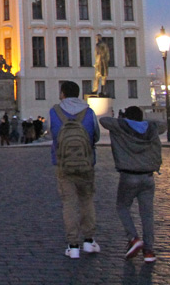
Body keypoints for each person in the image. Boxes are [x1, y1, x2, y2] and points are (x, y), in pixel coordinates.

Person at [99, 106, 165, 262]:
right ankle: (149, 251)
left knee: (122, 207)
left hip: (129, 175)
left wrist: (123, 120)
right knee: (147, 214)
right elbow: (162, 123)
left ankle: (133, 238)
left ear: (126, 117)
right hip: (148, 176)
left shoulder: (120, 126)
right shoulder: (152, 128)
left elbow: (103, 120)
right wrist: (142, 122)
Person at [50, 80, 100, 259]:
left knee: (69, 203)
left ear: (63, 93)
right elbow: (96, 135)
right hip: (86, 163)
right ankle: (89, 241)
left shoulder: (54, 112)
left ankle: (73, 246)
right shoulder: (89, 111)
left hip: (63, 164)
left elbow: (54, 136)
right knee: (86, 200)